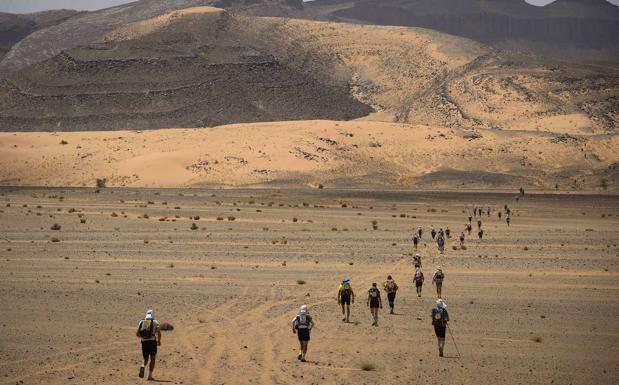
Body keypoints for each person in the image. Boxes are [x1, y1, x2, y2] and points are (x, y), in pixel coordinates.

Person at [136, 309, 161, 380]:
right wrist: (159, 341)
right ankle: (150, 376)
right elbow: (159, 332)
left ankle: (143, 366)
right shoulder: (155, 322)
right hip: (152, 342)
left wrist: (144, 337)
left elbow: (137, 334)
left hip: (144, 343)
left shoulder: (141, 321)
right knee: (152, 358)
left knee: (145, 358)